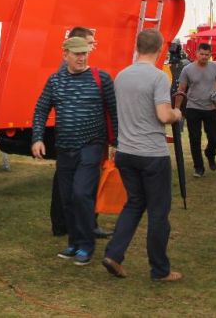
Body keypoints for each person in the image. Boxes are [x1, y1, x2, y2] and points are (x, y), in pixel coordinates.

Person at [101, 29, 183, 281]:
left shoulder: (122, 76)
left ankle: (114, 254)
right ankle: (160, 269)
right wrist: (177, 114)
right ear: (160, 49)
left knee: (134, 204)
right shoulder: (159, 77)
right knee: (158, 212)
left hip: (126, 151)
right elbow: (163, 115)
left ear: (137, 47)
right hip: (152, 154)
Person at [32, 37, 117, 266]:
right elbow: (41, 110)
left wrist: (117, 143)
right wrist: (38, 138)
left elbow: (114, 111)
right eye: (77, 53)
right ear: (65, 54)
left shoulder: (102, 78)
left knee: (82, 194)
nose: (82, 57)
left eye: (85, 53)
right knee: (68, 197)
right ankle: (74, 242)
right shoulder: (55, 81)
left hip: (91, 146)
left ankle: (86, 245)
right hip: (64, 148)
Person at [50, 26, 111, 239]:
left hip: (73, 139)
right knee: (79, 185)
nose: (93, 47)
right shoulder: (68, 72)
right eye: (90, 43)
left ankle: (63, 224)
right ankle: (84, 226)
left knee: (68, 184)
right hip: (77, 139)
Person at [177, 43, 216, 177]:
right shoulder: (187, 69)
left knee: (215, 137)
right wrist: (177, 109)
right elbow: (181, 90)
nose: (204, 57)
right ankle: (198, 167)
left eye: (207, 54)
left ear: (210, 54)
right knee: (194, 139)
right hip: (193, 108)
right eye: (202, 54)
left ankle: (210, 154)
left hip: (211, 107)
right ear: (196, 53)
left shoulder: (215, 66)